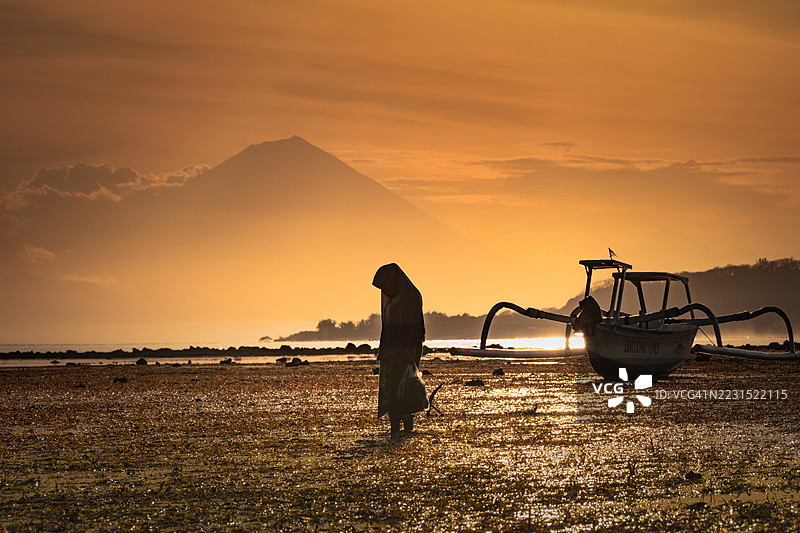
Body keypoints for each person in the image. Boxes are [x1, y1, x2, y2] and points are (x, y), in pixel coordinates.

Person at [372, 263, 425, 436]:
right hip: (391, 351)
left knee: (404, 388)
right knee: (393, 389)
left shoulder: (411, 297)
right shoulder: (393, 299)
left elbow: (415, 325)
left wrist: (409, 349)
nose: (384, 291)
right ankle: (394, 427)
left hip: (406, 350)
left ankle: (406, 426)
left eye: (385, 286)